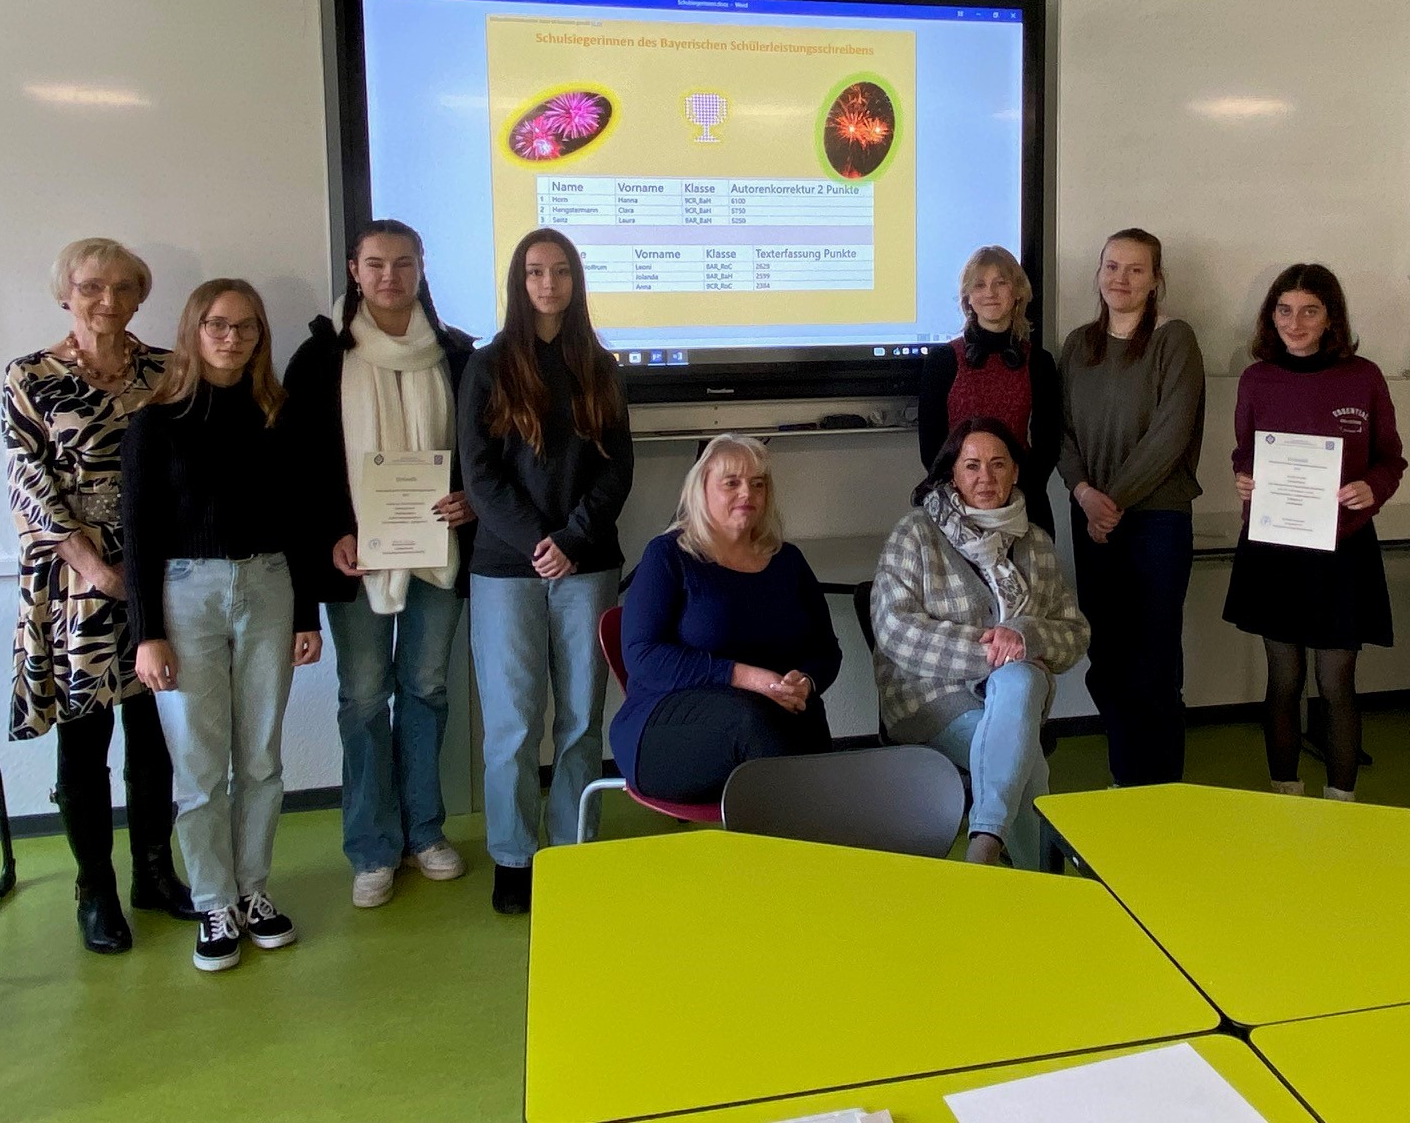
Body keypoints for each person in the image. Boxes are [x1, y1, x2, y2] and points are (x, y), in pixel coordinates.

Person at [124, 278, 321, 972]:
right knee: (202, 768)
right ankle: (213, 901)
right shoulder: (156, 422)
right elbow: (138, 534)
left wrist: (306, 615)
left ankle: (253, 891)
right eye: (217, 324)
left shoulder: (280, 415)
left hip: (269, 586)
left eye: (245, 327)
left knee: (261, 758)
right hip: (186, 598)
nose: (231, 337)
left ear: (261, 336)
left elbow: (300, 520)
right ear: (193, 330)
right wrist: (146, 632)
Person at [3, 238, 193, 954]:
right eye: (91, 286)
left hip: (161, 574)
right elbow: (30, 485)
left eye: (122, 288)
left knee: (155, 738)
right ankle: (96, 890)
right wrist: (102, 571)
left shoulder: (167, 371)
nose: (107, 300)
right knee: (85, 746)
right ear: (66, 293)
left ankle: (154, 872)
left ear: (140, 297)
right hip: (76, 590)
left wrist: (152, 574)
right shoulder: (30, 376)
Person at [283, 220, 476, 909]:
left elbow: (480, 451)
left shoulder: (455, 354)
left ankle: (424, 833)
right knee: (363, 698)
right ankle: (371, 846)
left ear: (421, 269)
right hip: (354, 561)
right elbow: (299, 469)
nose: (389, 276)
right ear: (353, 271)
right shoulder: (318, 358)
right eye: (375, 264)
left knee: (425, 691)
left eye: (402, 263)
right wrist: (331, 535)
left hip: (438, 553)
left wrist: (468, 500)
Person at [460, 227, 633, 914]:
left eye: (561, 271)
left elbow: (618, 468)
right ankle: (512, 855)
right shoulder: (488, 365)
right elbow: (480, 474)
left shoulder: (600, 364)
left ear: (576, 281)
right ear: (518, 281)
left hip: (587, 566)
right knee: (510, 722)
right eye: (536, 272)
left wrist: (572, 538)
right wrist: (539, 542)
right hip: (506, 570)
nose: (549, 283)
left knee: (581, 721)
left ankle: (573, 846)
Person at [1225, 264, 1405, 802]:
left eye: (1309, 311)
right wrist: (1245, 478)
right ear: (1270, 316)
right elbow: (1244, 450)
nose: (1295, 322)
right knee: (1283, 678)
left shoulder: (1363, 377)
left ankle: (1341, 802)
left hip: (1342, 551)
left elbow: (1390, 460)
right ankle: (1286, 792)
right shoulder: (1257, 378)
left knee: (1336, 683)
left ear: (1330, 319)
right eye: (1284, 310)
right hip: (1275, 547)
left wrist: (1373, 487)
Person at [873, 419, 1088, 867]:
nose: (985, 478)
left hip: (1016, 697)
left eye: (997, 464)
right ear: (953, 474)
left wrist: (1024, 637)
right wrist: (994, 651)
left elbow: (1074, 635)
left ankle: (985, 847)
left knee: (1020, 680)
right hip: (931, 698)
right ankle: (1039, 881)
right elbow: (895, 630)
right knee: (1027, 764)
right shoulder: (916, 534)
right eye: (971, 466)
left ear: (1015, 472)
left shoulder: (1036, 543)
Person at [611, 436, 841, 807]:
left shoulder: (789, 561)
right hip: (663, 728)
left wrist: (806, 682)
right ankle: (803, 845)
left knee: (800, 717)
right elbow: (643, 656)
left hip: (771, 721)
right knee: (750, 718)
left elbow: (825, 649)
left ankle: (805, 844)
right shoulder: (668, 555)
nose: (746, 492)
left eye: (758, 483)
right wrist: (747, 677)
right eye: (731, 482)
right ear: (701, 490)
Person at [1058, 228, 1205, 787]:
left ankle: (1161, 784)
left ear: (1156, 279)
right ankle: (1126, 774)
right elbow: (1062, 432)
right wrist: (1084, 494)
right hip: (1091, 515)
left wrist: (1111, 501)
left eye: (1135, 270)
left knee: (1154, 661)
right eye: (1111, 267)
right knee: (1110, 656)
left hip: (1155, 522)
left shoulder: (1176, 340)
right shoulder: (1077, 344)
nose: (1120, 279)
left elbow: (1170, 436)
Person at [918, 245, 1061, 534]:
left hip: (1024, 501)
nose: (990, 293)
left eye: (1001, 283)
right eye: (980, 285)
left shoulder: (1039, 362)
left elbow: (1049, 443)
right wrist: (970, 489)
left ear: (1017, 292)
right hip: (957, 506)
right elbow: (931, 447)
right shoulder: (942, 362)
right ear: (968, 298)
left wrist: (1012, 489)